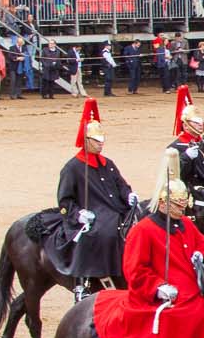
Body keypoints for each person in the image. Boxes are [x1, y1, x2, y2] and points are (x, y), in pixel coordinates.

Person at [91, 151, 204, 338]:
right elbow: (134, 270)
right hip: (159, 295)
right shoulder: (144, 230)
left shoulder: (185, 227)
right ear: (163, 202)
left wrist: (202, 254)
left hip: (190, 290)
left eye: (184, 205)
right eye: (179, 205)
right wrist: (158, 287)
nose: (184, 210)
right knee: (173, 319)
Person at [49, 98, 140, 295]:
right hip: (91, 213)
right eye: (96, 142)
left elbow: (121, 186)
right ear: (86, 141)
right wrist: (78, 214)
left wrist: (129, 195)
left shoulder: (107, 163)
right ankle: (86, 282)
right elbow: (65, 201)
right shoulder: (72, 168)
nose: (100, 145)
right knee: (102, 233)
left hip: (116, 210)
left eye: (102, 141)